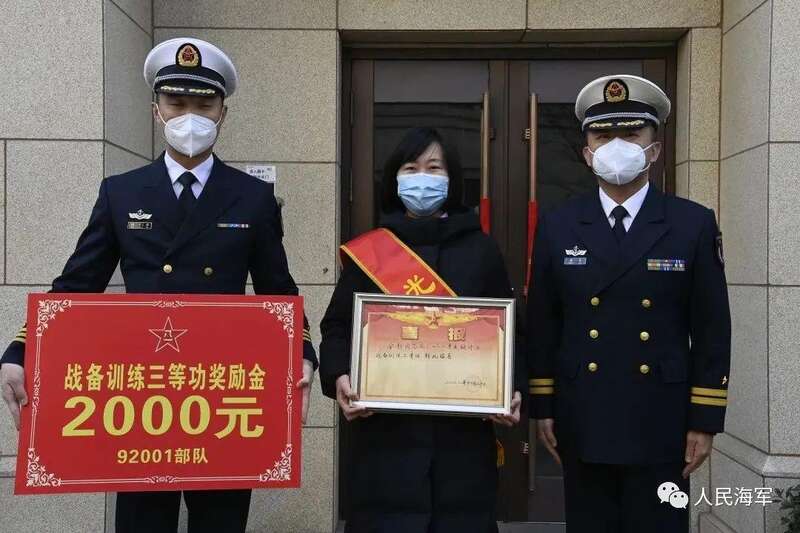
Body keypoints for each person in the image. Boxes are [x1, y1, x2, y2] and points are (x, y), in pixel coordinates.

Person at [0, 37, 317, 533]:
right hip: (143, 395)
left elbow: (279, 290)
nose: (190, 116)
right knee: (142, 522)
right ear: (156, 111)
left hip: (221, 392)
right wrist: (21, 351)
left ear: (223, 113)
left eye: (204, 105)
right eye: (177, 102)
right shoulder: (121, 192)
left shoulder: (253, 197)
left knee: (220, 521)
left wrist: (302, 354)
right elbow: (77, 285)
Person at [527, 74, 731, 533]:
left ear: (654, 149)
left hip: (661, 417)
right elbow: (543, 322)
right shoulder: (559, 225)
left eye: (631, 134)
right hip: (584, 413)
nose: (616, 146)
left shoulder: (691, 224)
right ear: (587, 153)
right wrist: (544, 405)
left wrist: (704, 420)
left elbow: (712, 328)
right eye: (603, 137)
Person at [319, 127, 525, 533]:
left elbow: (511, 330)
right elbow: (337, 325)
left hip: (462, 444)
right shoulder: (371, 251)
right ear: (395, 180)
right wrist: (340, 375)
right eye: (411, 169)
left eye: (434, 168)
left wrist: (511, 388)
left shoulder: (481, 250)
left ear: (451, 179)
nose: (422, 178)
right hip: (386, 440)